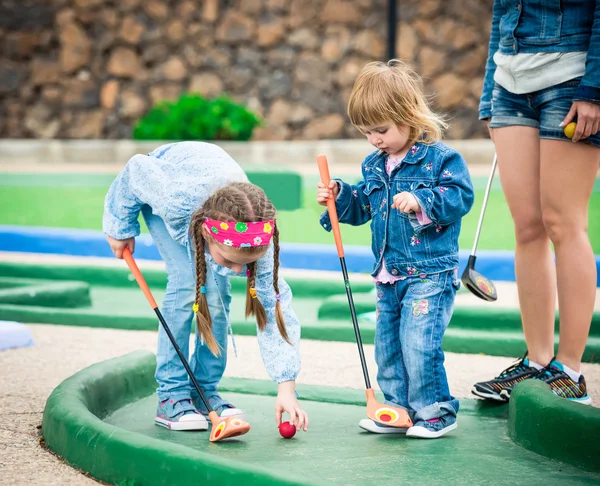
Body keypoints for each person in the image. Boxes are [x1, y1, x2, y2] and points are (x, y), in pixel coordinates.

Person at [316, 60, 474, 438]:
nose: (375, 139)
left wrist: (421, 200)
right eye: (367, 132)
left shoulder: (440, 159)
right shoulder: (374, 165)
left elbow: (460, 196)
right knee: (387, 345)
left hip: (429, 273)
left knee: (419, 344)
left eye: (382, 130)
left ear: (408, 115)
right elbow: (364, 208)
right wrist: (340, 197)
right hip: (388, 274)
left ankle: (435, 410)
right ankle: (398, 408)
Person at [103, 141, 309, 432]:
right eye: (229, 259)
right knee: (187, 284)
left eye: (243, 264)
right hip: (169, 180)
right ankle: (171, 397)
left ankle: (204, 392)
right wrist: (119, 226)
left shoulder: (258, 238)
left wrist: (286, 388)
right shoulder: (173, 201)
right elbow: (136, 170)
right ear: (207, 236)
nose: (238, 270)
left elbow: (277, 311)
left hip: (211, 196)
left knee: (217, 294)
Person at [472, 0, 599, 405]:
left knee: (563, 222)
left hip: (573, 78)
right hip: (509, 84)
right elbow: (501, 13)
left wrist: (595, 89)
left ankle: (570, 370)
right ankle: (539, 360)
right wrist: (490, 97)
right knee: (528, 225)